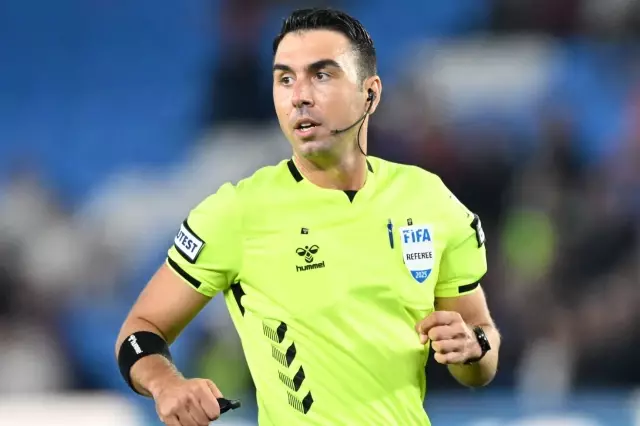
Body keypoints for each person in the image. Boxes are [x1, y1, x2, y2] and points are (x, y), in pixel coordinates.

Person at [115, 8, 501, 426]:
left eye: (321, 75)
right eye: (285, 79)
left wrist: (473, 346)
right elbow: (140, 330)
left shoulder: (429, 200)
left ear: (370, 94)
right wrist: (166, 384)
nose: (299, 96)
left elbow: (480, 346)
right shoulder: (238, 212)